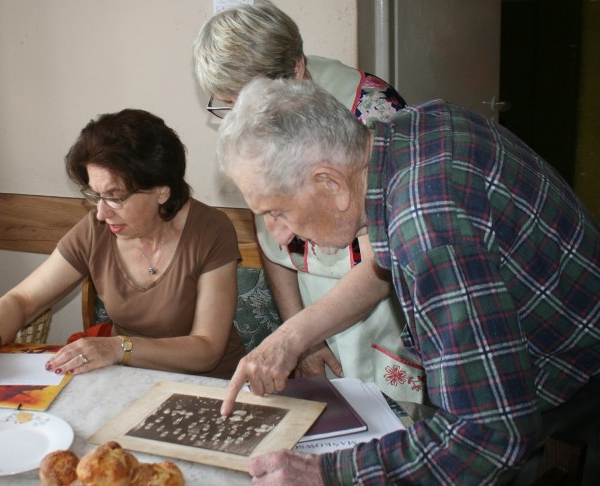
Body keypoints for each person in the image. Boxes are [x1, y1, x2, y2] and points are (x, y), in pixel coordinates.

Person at [216, 77, 600, 485]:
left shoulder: (428, 227)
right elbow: (386, 259)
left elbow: (488, 439)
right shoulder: (413, 130)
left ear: (330, 183)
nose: (278, 235)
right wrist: (292, 337)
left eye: (277, 211)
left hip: (578, 395)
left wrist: (327, 472)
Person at [193, 0, 425, 404]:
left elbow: (384, 258)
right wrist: (301, 333)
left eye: (241, 100)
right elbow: (273, 241)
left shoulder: (374, 113)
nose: (236, 116)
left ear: (296, 70)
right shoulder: (251, 124)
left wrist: (297, 335)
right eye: (225, 104)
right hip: (309, 306)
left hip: (378, 308)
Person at [0, 109, 245, 380]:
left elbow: (207, 349)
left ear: (161, 191)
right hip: (131, 383)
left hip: (210, 388)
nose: (102, 213)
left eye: (116, 196)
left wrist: (119, 348)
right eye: (96, 195)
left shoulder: (210, 231)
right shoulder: (96, 229)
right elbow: (23, 300)